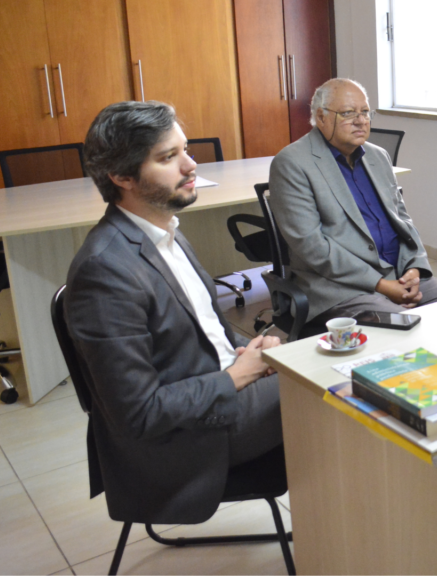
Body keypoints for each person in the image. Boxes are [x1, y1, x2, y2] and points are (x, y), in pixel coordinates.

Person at [65, 101, 284, 524]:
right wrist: (238, 375)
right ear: (122, 177)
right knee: (338, 388)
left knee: (329, 364)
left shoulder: (163, 231)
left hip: (216, 393)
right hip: (191, 438)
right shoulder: (104, 272)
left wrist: (250, 349)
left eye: (186, 150)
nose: (191, 165)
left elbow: (209, 332)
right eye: (168, 157)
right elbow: (139, 414)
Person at [268, 78, 437, 337]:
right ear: (321, 117)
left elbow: (402, 220)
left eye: (365, 112)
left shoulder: (377, 156)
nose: (361, 121)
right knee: (409, 331)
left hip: (399, 275)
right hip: (340, 289)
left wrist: (414, 268)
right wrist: (381, 285)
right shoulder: (292, 163)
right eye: (348, 113)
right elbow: (313, 247)